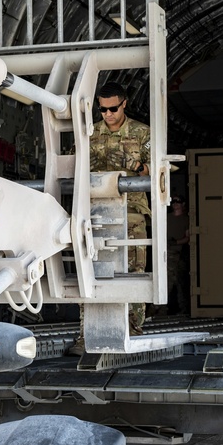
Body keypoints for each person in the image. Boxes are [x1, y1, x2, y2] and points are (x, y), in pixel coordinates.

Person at [71, 82, 151, 355]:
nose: (107, 114)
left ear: (125, 103)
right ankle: (87, 333)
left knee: (133, 272)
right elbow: (72, 166)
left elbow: (160, 172)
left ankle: (132, 330)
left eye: (113, 108)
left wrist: (137, 167)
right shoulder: (89, 134)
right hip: (95, 213)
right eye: (103, 109)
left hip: (132, 212)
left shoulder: (142, 133)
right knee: (90, 272)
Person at [166, 196, 190, 314]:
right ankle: (160, 310)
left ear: (183, 204)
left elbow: (188, 237)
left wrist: (175, 242)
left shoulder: (186, 219)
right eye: (173, 201)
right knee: (166, 282)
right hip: (165, 254)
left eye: (178, 202)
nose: (175, 204)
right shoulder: (166, 217)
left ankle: (184, 309)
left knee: (180, 282)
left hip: (178, 254)